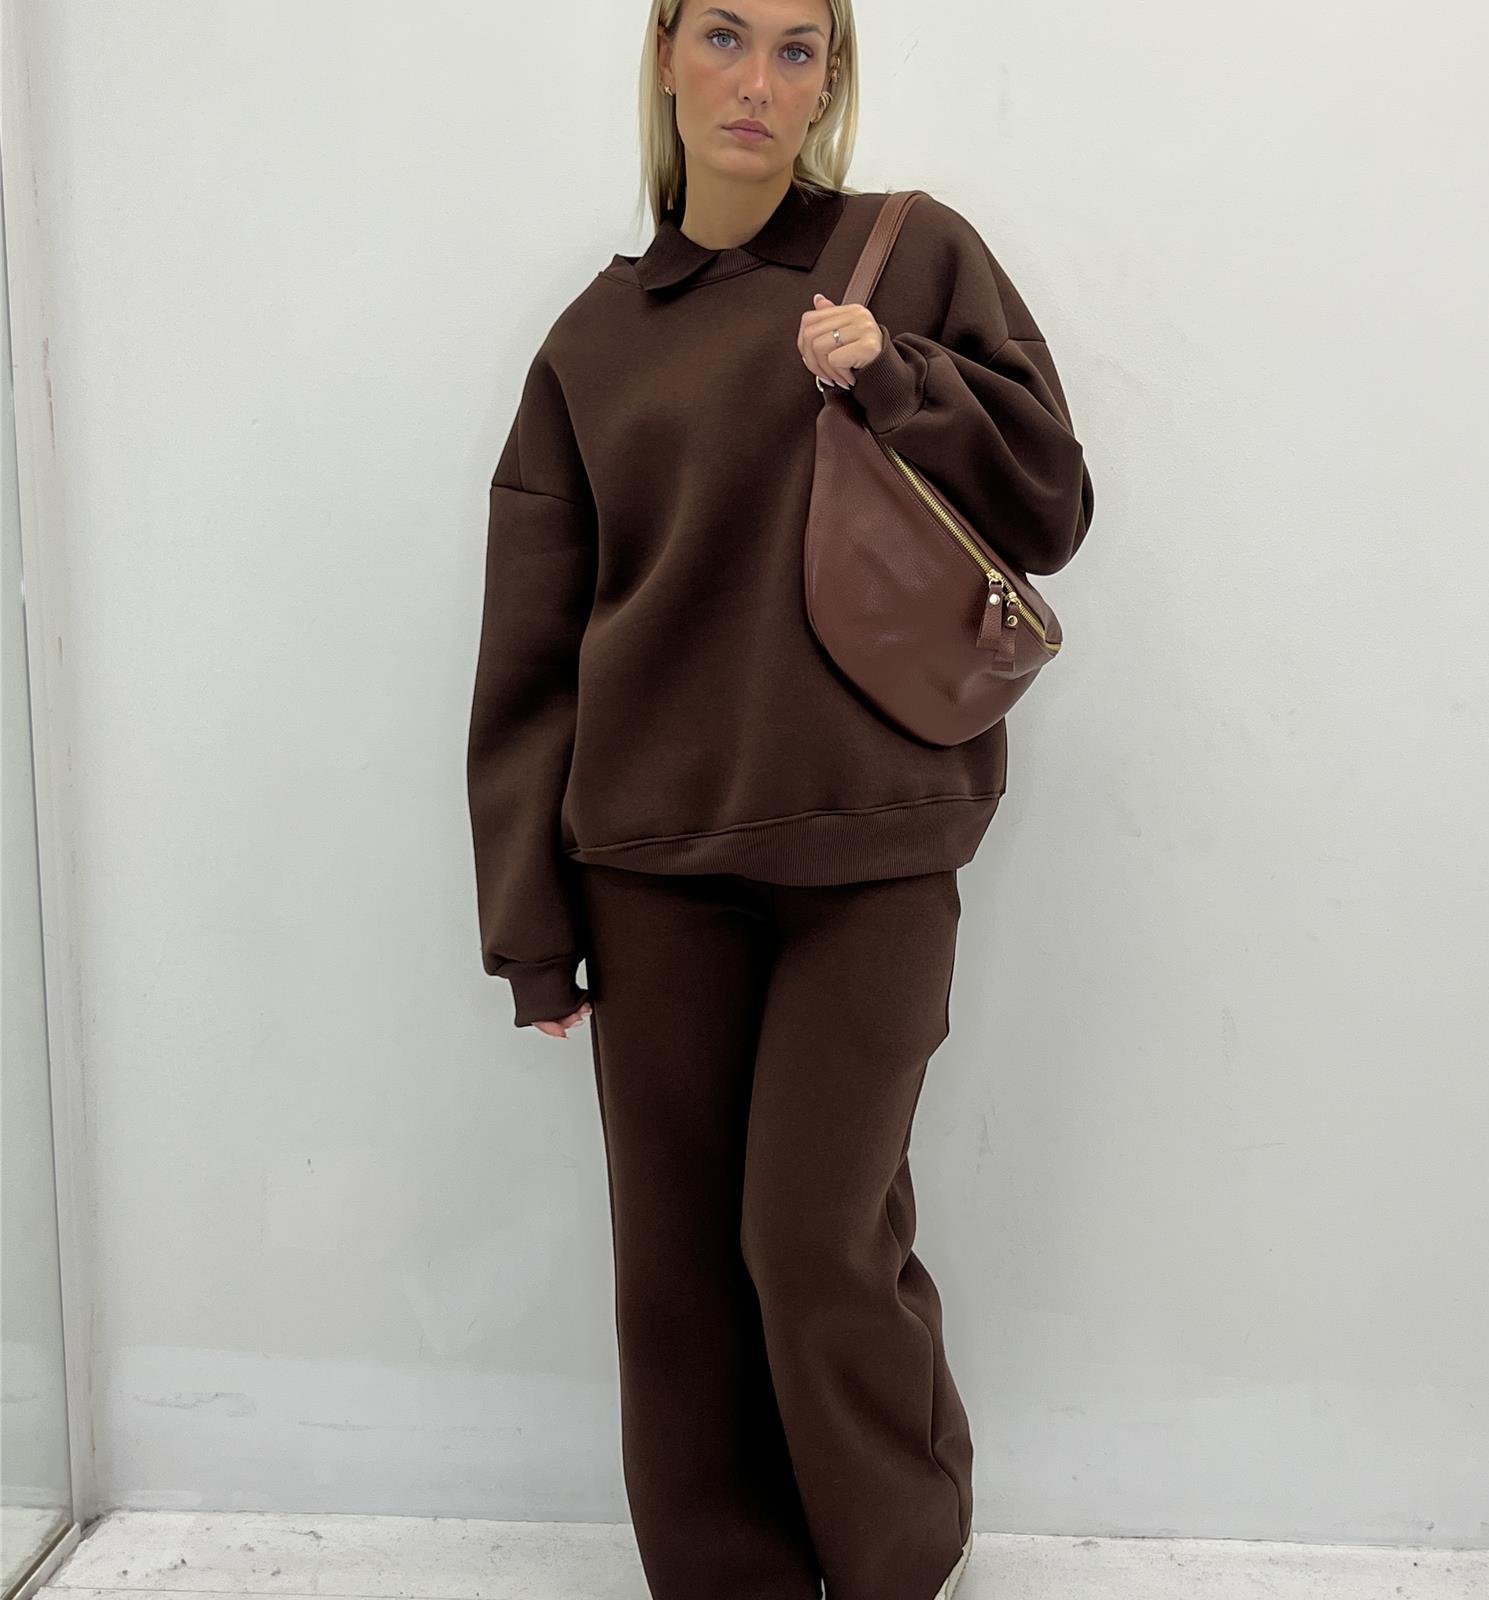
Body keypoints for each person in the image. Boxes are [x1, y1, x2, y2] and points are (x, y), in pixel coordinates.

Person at [465, 2, 1095, 1595]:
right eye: (726, 38)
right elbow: (531, 656)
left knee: (812, 1238)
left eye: (799, 49)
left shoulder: (907, 258)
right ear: (667, 58)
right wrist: (532, 930)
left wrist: (899, 375)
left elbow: (1051, 501)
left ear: (832, 79)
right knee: (677, 1272)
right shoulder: (592, 345)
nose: (759, 82)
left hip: (875, 847)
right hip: (652, 866)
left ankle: (896, 1561)